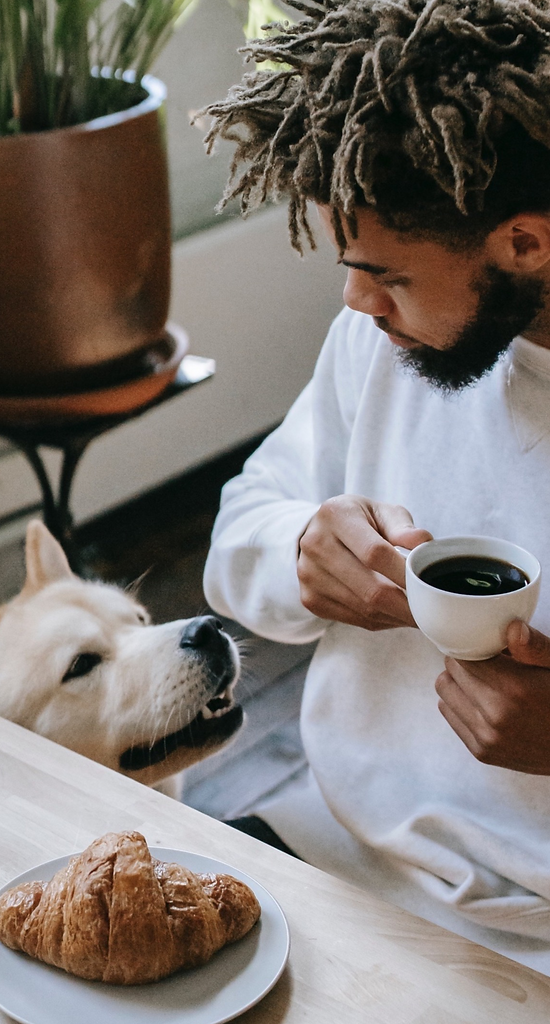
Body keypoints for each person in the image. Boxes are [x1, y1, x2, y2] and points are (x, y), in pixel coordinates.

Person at [200, 0, 550, 972]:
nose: (354, 301)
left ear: (523, 244)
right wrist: (302, 550)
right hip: (327, 853)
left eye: (383, 274)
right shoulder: (380, 338)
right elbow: (239, 534)